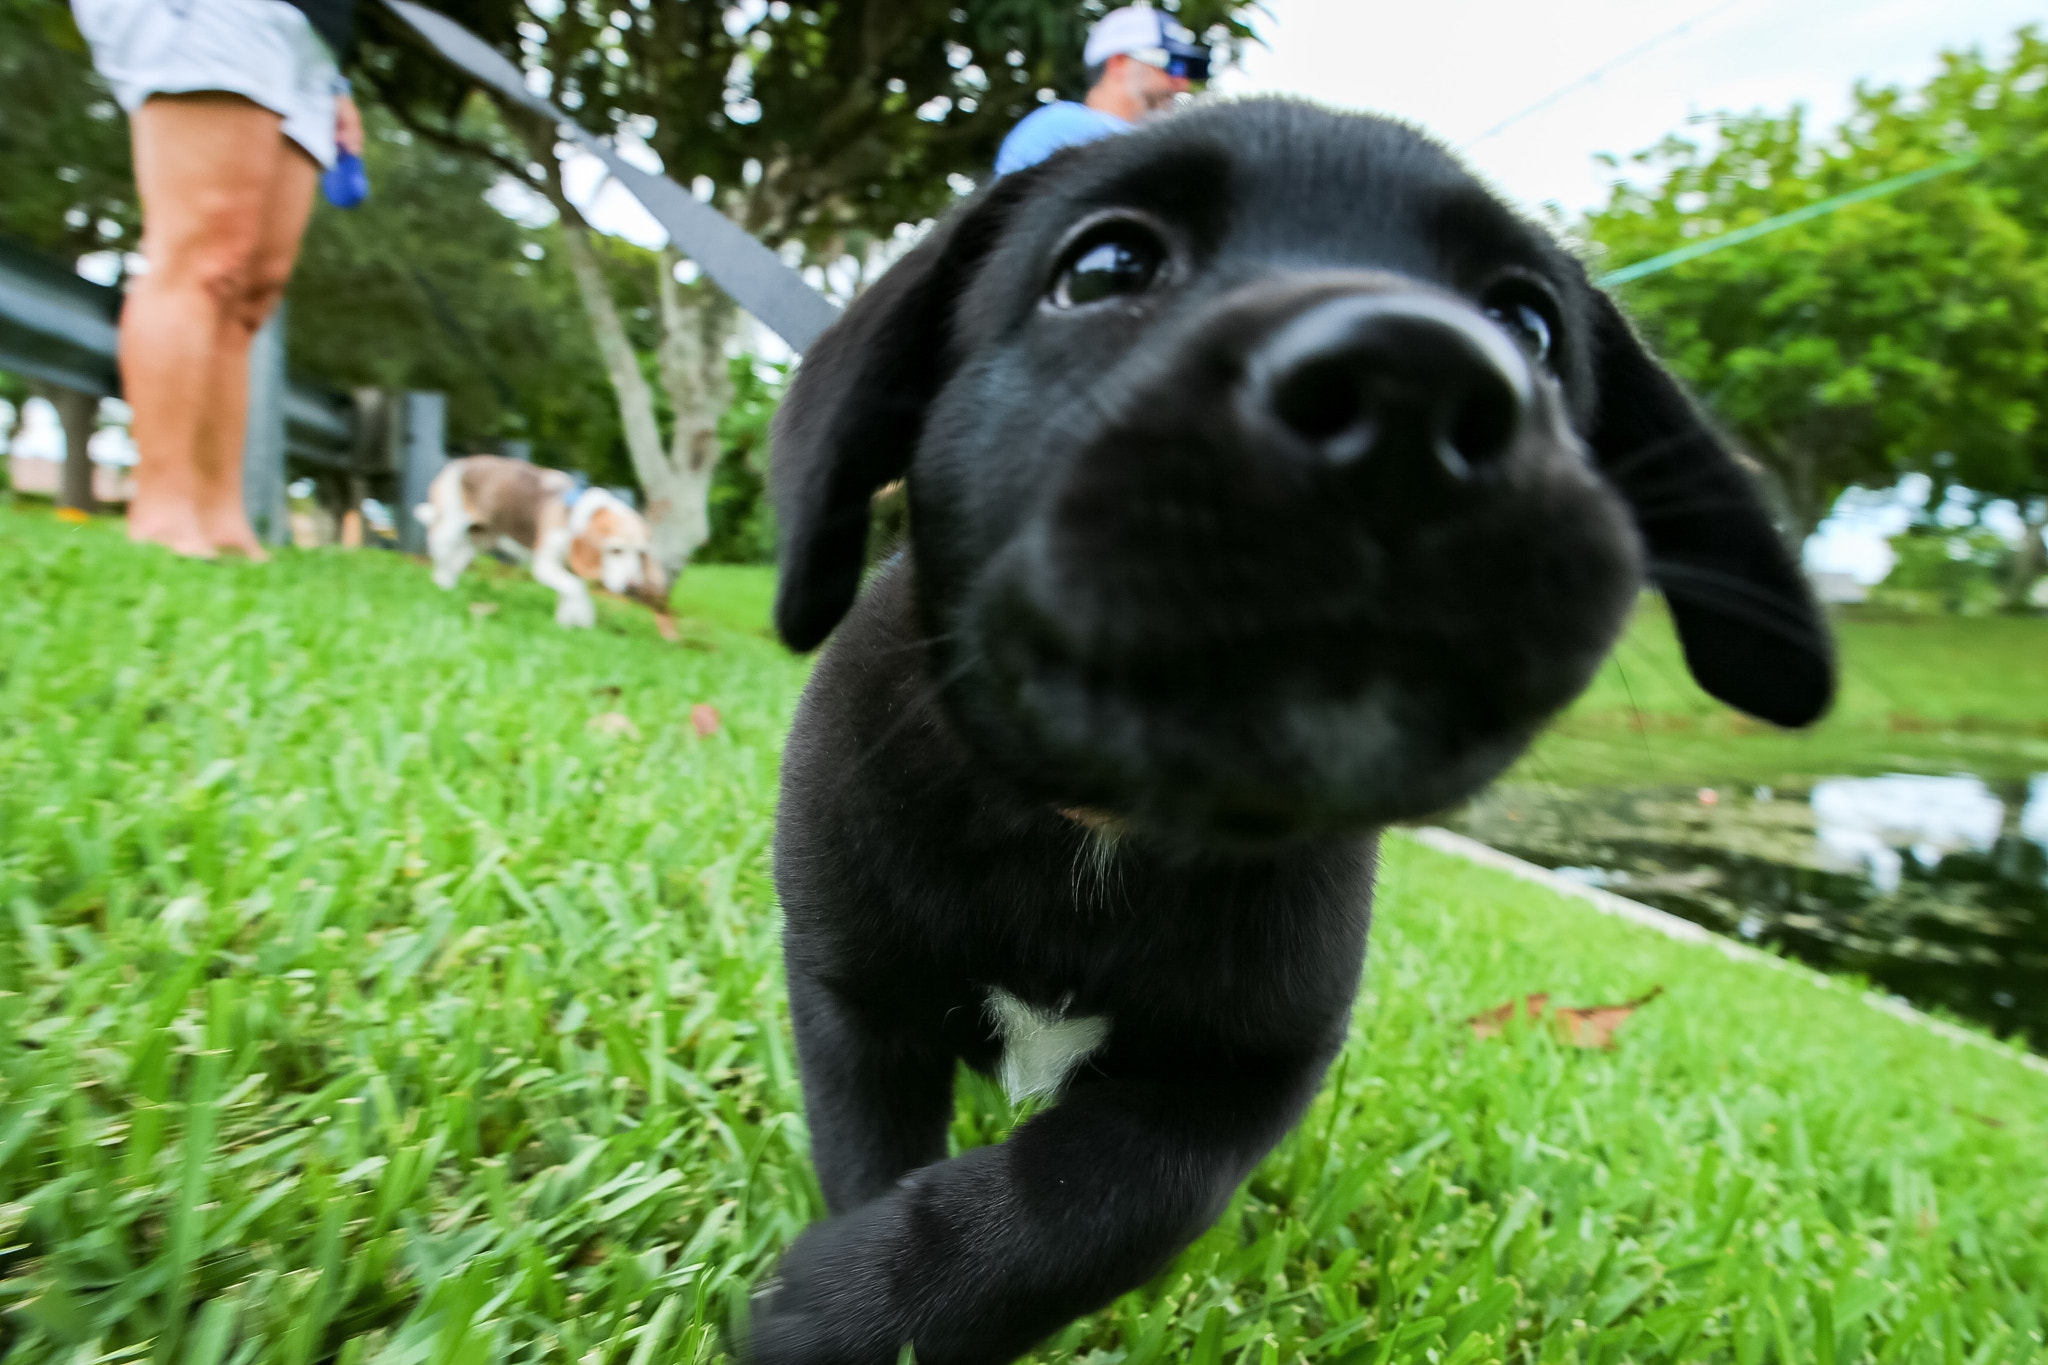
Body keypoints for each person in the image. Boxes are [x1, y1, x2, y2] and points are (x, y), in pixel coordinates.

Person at [70, 0, 363, 558]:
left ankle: (222, 520)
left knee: (254, 290)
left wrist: (336, 79)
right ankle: (162, 512)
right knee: (203, 258)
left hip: (311, 37)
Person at [994, 7, 1211, 178]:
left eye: (1186, 71)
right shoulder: (1060, 128)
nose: (1183, 84)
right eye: (1172, 65)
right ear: (1119, 63)